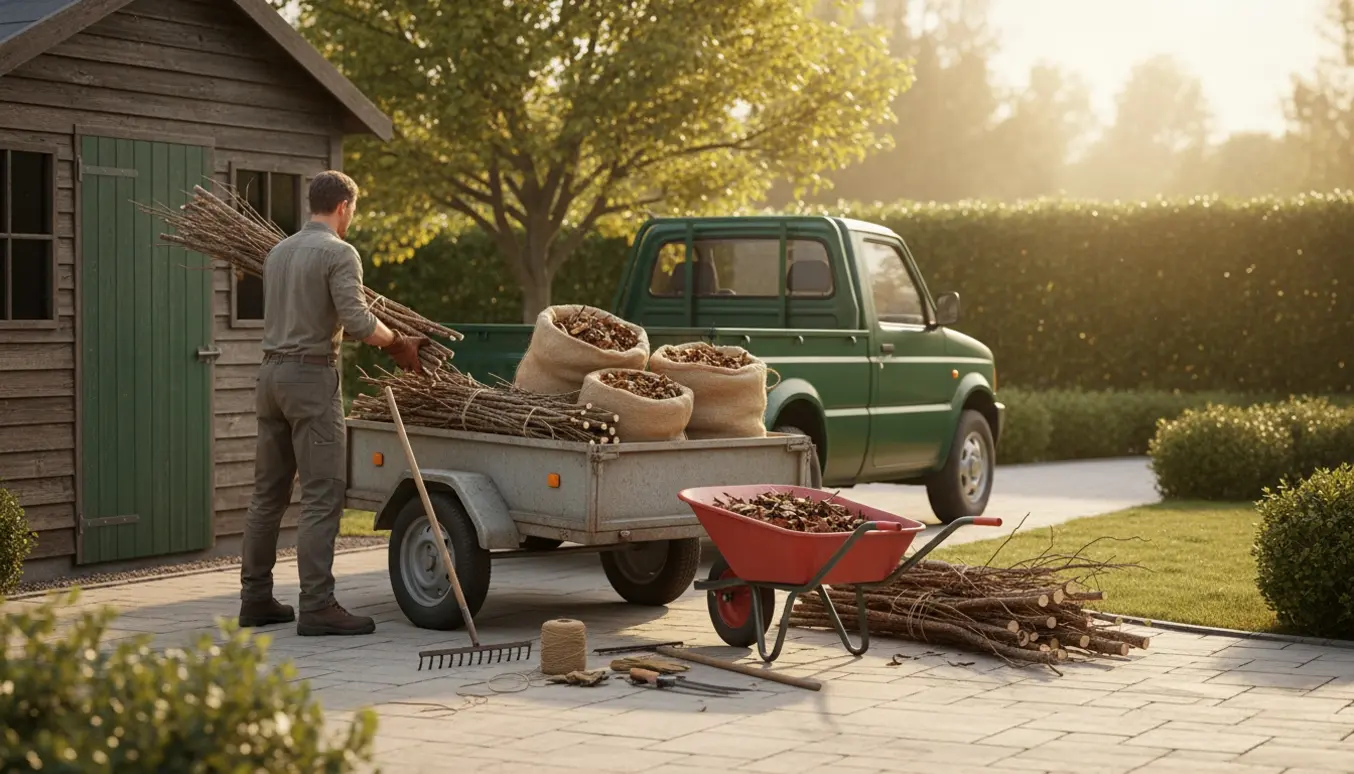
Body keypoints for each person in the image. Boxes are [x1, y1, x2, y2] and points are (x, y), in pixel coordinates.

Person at [237, 170, 428, 636]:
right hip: (309, 378)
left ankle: (255, 598)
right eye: (353, 211)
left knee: (268, 495)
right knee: (323, 494)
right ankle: (317, 605)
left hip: (270, 376)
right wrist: (399, 343)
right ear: (344, 206)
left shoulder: (278, 251)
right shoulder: (340, 252)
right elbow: (359, 321)